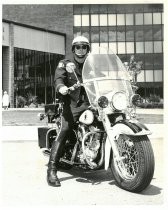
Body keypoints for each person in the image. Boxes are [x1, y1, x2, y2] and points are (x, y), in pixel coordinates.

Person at [47, 36, 90, 187]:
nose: (81, 50)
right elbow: (58, 79)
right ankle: (52, 170)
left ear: (87, 49)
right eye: (77, 47)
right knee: (65, 128)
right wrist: (61, 88)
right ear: (73, 49)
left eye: (84, 47)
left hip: (90, 103)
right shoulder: (65, 63)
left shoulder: (92, 64)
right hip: (72, 104)